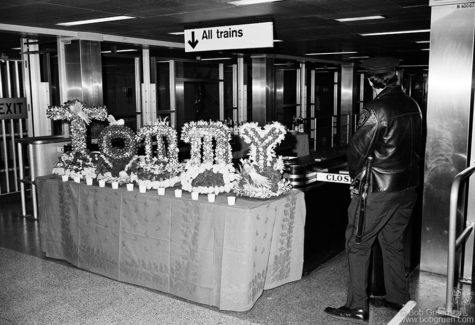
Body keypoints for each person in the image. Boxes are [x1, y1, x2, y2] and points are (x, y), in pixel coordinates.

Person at [324, 57, 422, 324]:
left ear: (370, 81)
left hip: (379, 189)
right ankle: (398, 297)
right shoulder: (412, 104)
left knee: (357, 243)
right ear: (396, 77)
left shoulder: (375, 109)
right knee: (392, 243)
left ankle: (356, 306)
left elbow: (357, 152)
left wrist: (356, 182)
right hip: (408, 187)